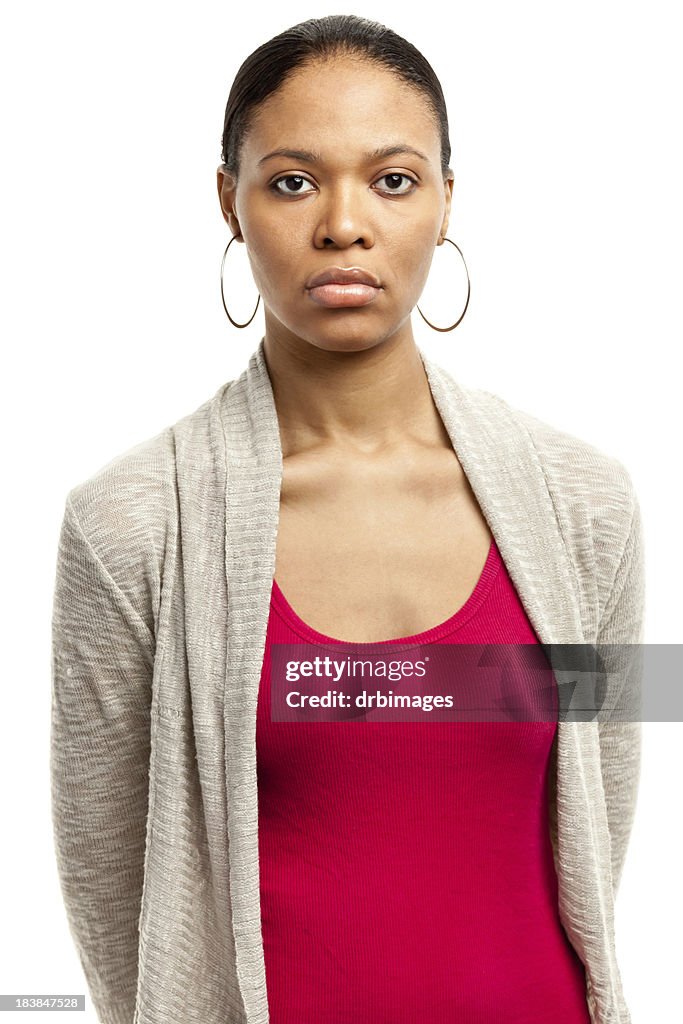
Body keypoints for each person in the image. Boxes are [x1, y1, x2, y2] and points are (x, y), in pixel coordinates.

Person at [50, 15, 645, 1024]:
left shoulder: (586, 504)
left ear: (447, 199)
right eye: (290, 180)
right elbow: (107, 892)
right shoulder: (126, 527)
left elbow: (596, 819)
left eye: (392, 179)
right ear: (226, 203)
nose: (342, 224)